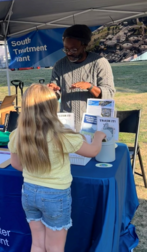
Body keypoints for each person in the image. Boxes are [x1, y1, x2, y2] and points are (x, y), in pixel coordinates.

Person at [8, 84, 105, 252]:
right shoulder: (62, 134)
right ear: (53, 107)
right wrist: (98, 137)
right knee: (55, 247)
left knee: (37, 243)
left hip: (29, 192)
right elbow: (92, 151)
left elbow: (16, 164)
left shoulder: (17, 133)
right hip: (56, 195)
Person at [46, 24, 115, 131]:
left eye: (74, 49)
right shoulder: (59, 65)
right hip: (67, 125)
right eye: (66, 49)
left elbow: (109, 94)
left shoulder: (99, 63)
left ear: (84, 45)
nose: (69, 53)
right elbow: (55, 96)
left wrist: (89, 86)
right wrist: (51, 91)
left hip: (94, 124)